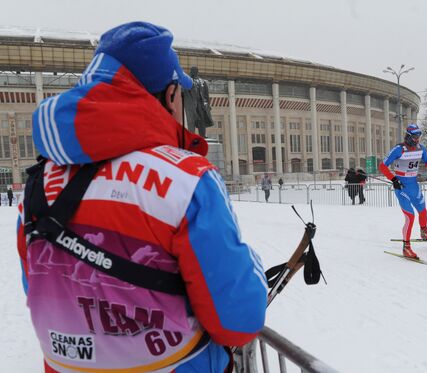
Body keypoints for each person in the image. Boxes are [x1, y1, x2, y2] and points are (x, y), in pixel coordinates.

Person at [16, 22, 267, 373]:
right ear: (169, 96)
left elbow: (39, 283)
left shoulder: (38, 183)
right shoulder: (187, 179)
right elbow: (237, 321)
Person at [378, 124, 427, 259]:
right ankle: (406, 247)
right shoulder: (399, 149)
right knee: (410, 216)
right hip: (402, 188)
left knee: (423, 210)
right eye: (414, 137)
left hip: (414, 185)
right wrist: (394, 179)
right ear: (408, 136)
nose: (417, 140)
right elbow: (382, 166)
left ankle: (424, 233)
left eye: (419, 136)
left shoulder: (420, 149)